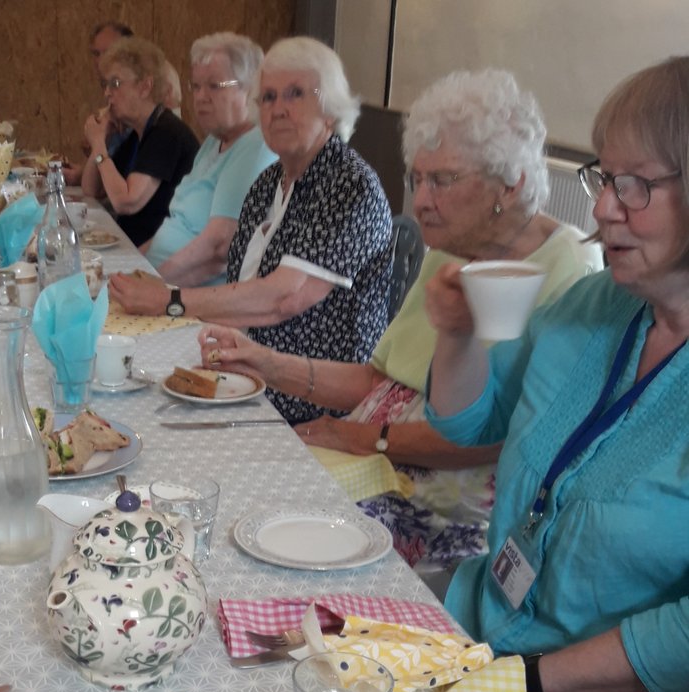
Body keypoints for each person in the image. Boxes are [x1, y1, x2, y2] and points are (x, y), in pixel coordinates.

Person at [197, 69, 602, 583]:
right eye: (418, 178)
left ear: (512, 181)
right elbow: (378, 380)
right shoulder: (452, 249)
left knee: (261, 541)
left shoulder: (571, 275)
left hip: (441, 508)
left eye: (443, 180)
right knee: (231, 483)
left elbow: (503, 441)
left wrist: (362, 438)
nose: (421, 200)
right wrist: (264, 363)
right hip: (370, 458)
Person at [424, 56, 689, 692]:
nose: (604, 209)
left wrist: (530, 681)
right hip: (498, 621)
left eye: (634, 185)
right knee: (333, 661)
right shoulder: (596, 305)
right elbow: (471, 421)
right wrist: (457, 334)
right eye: (603, 177)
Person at [111, 36, 393, 424]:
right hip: (248, 377)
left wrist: (170, 301)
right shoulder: (268, 184)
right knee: (130, 392)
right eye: (269, 97)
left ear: (329, 109)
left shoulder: (348, 184)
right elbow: (245, 280)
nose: (278, 110)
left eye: (296, 94)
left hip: (311, 403)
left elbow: (284, 298)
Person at [143, 33, 276, 286]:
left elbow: (218, 250)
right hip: (162, 282)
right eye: (196, 86)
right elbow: (176, 223)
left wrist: (150, 285)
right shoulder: (215, 141)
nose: (200, 97)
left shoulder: (255, 146)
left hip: (191, 301)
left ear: (250, 89)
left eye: (214, 86)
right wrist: (131, 266)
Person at [81, 37, 199, 246]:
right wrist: (100, 141)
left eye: (115, 83)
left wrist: (98, 145)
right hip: (133, 244)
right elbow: (93, 191)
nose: (107, 92)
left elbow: (126, 201)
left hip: (157, 256)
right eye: (105, 84)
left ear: (145, 86)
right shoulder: (138, 134)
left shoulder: (166, 133)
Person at [62, 20, 134, 186]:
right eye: (96, 53)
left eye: (108, 52)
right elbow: (95, 185)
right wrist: (98, 148)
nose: (101, 60)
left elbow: (125, 200)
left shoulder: (152, 126)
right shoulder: (111, 113)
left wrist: (98, 143)